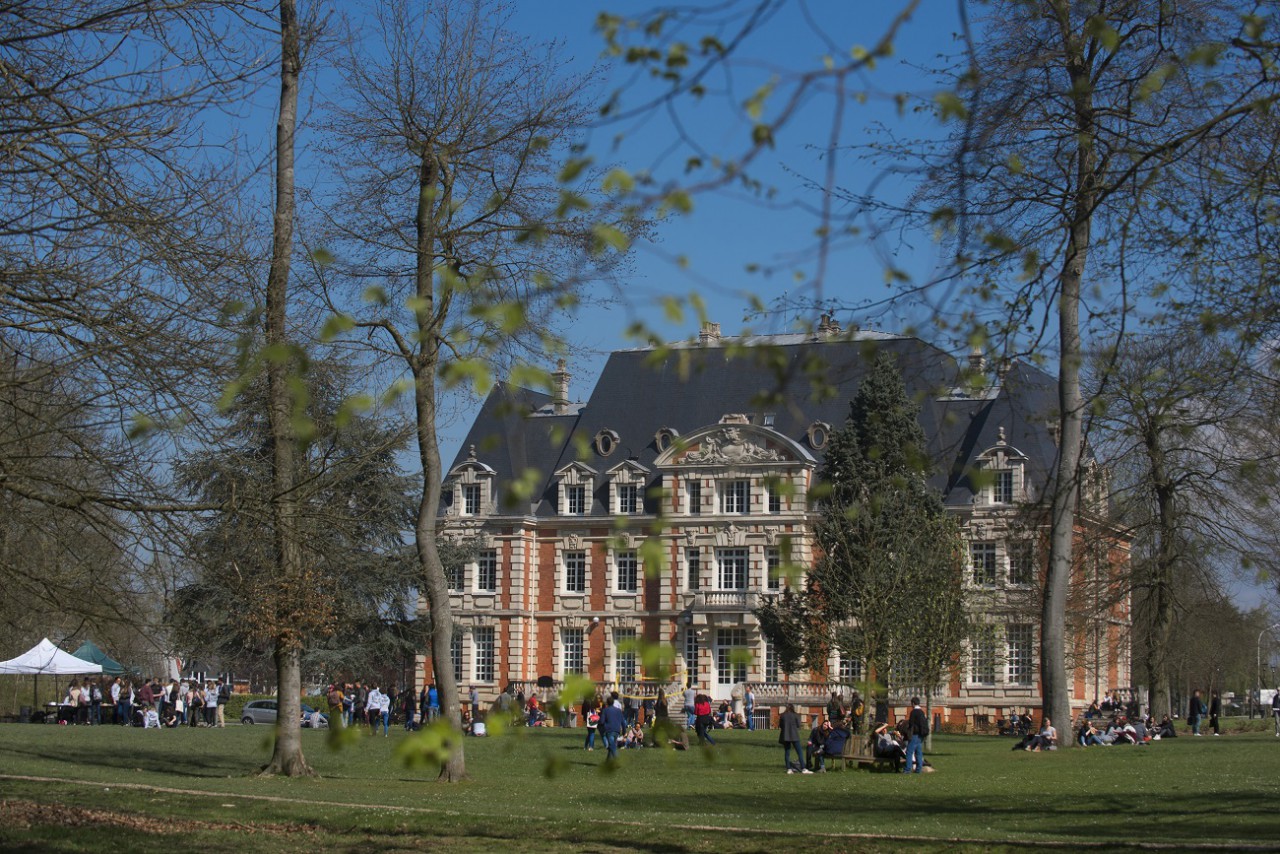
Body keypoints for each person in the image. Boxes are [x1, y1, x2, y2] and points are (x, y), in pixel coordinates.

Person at [778, 703, 809, 774]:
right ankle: (803, 768)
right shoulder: (795, 715)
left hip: (785, 736)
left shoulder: (783, 715)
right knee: (799, 752)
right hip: (794, 735)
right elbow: (798, 725)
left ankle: (788, 769)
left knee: (787, 753)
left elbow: (780, 725)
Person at [904, 696, 928, 772]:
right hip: (921, 735)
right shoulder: (922, 712)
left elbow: (911, 724)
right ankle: (919, 769)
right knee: (918, 752)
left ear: (913, 703)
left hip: (915, 734)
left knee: (909, 752)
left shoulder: (913, 712)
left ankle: (907, 769)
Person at [599, 696, 625, 761]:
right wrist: (624, 731)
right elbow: (623, 722)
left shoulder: (605, 710)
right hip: (617, 730)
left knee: (612, 745)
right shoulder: (619, 710)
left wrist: (601, 726)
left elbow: (602, 721)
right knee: (612, 745)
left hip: (609, 730)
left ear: (607, 703)